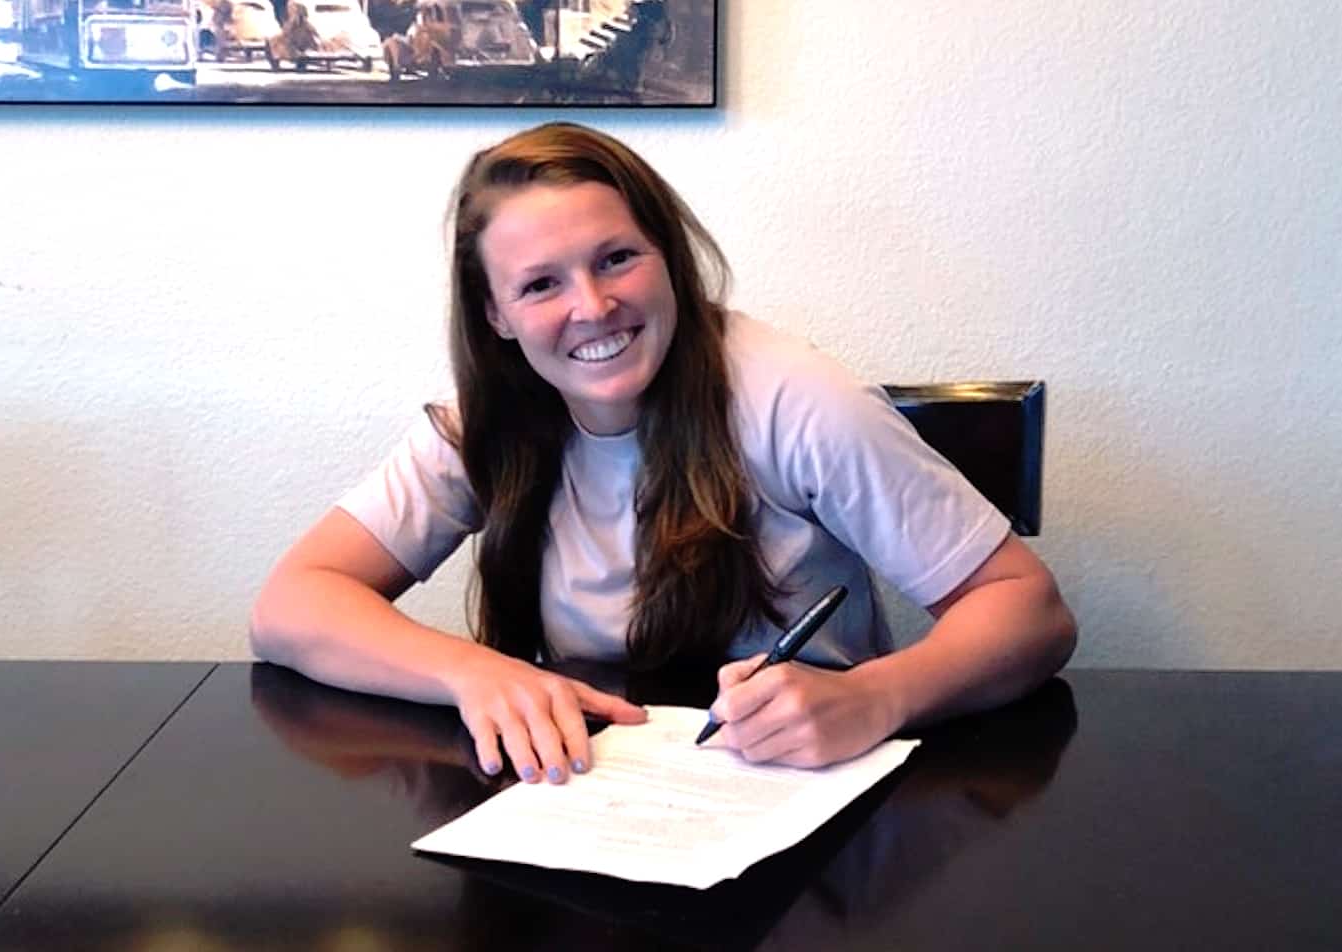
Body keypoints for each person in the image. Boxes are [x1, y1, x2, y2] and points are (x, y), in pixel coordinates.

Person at [250, 122, 1077, 787]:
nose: (592, 306)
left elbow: (1028, 611)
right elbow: (292, 604)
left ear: (670, 260)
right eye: (540, 284)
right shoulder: (486, 423)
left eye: (616, 259)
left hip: (799, 789)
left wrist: (874, 696)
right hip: (591, 790)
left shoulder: (798, 399)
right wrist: (472, 673)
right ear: (495, 315)